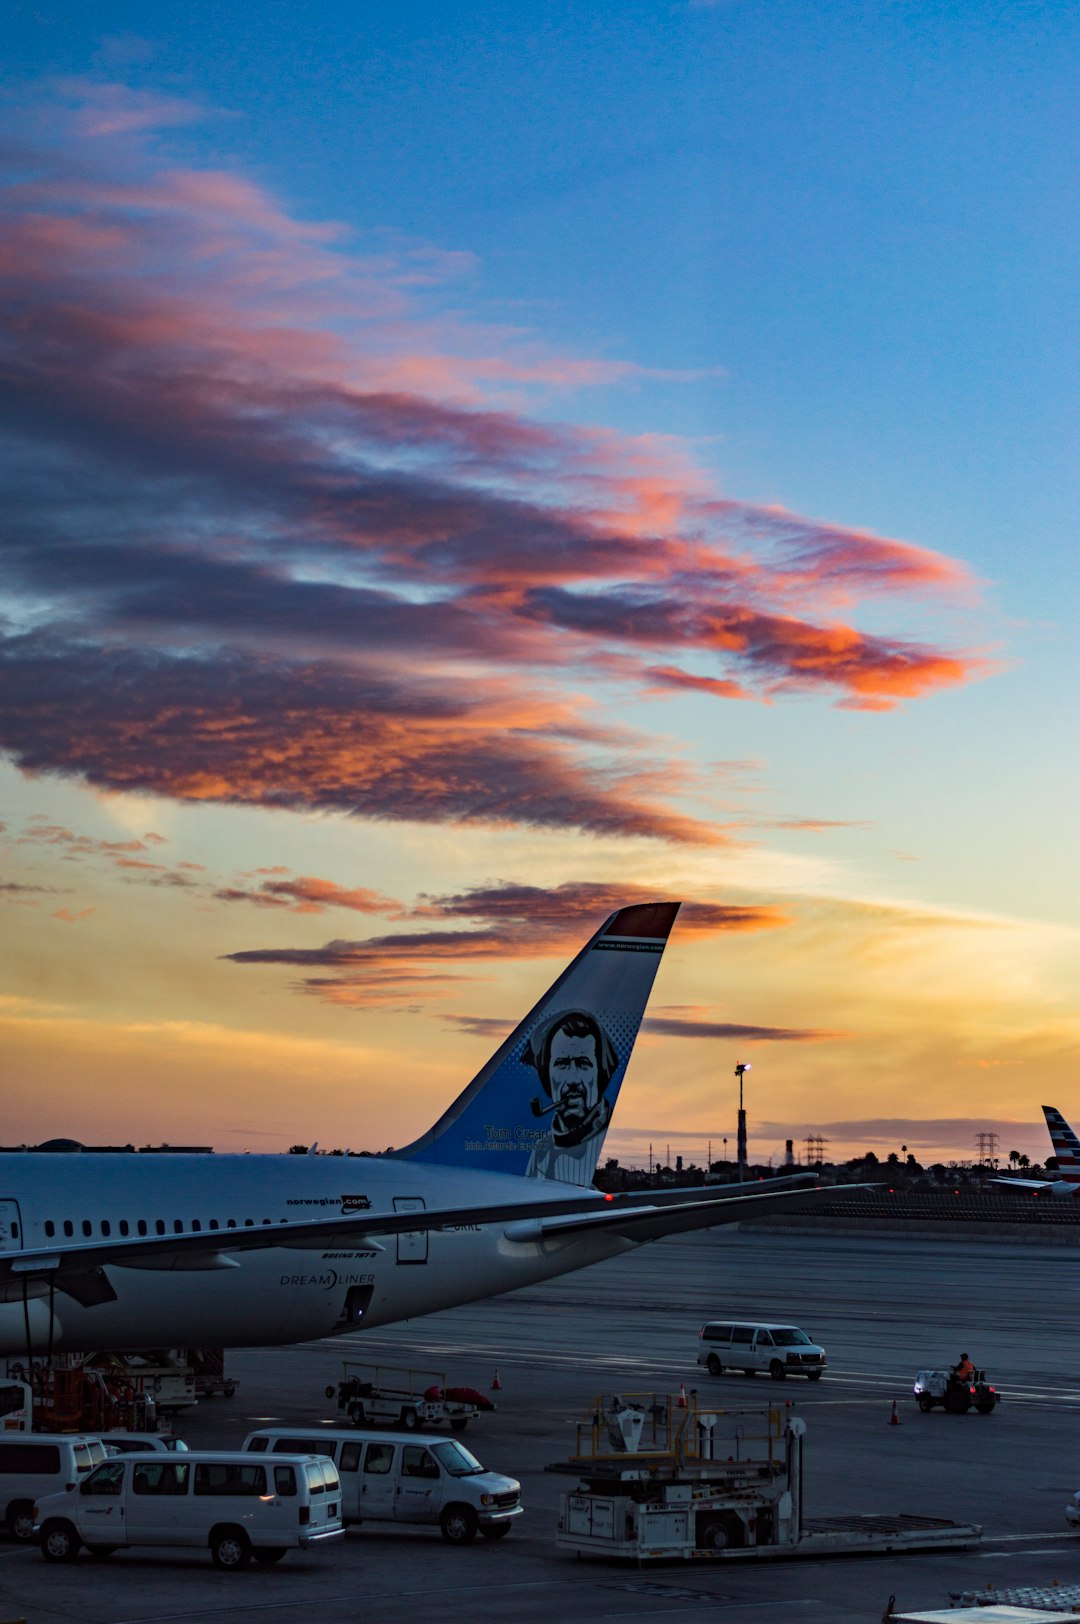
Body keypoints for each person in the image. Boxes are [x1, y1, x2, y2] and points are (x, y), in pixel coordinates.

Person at [522, 1010, 619, 1182]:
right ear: (547, 1077)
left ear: (600, 1074)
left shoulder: (598, 1144)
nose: (573, 1080)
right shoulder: (542, 1149)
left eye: (583, 1064)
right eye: (562, 1064)